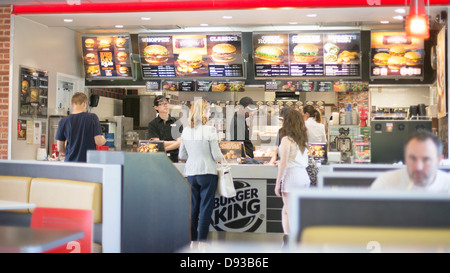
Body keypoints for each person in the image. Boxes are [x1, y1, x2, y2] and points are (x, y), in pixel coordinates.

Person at [179, 99, 223, 246]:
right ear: (203, 112)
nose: (210, 113)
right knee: (205, 207)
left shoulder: (185, 130)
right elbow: (216, 156)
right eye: (208, 110)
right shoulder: (209, 129)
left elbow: (182, 155)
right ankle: (202, 242)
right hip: (207, 172)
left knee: (193, 207)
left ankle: (192, 242)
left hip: (191, 172)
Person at [371, 130, 450, 192]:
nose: (418, 167)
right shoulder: (385, 183)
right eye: (412, 158)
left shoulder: (447, 185)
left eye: (426, 160)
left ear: (439, 161)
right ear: (405, 158)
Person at [274, 110, 310, 241]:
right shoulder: (302, 139)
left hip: (292, 177)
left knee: (290, 211)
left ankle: (294, 241)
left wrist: (277, 184)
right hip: (304, 177)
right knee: (288, 210)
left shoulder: (286, 140)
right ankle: (288, 239)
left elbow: (283, 163)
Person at [56, 92, 106, 162]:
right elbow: (99, 142)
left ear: (72, 105)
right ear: (85, 103)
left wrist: (67, 154)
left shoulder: (63, 121)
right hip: (87, 163)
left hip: (70, 163)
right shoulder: (92, 117)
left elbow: (59, 148)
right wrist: (104, 139)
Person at [148, 95, 183, 162]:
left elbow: (180, 142)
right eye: (162, 104)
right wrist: (175, 142)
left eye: (166, 103)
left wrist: (164, 149)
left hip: (175, 158)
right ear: (156, 107)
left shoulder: (177, 122)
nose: (165, 105)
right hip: (158, 158)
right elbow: (157, 143)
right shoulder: (153, 124)